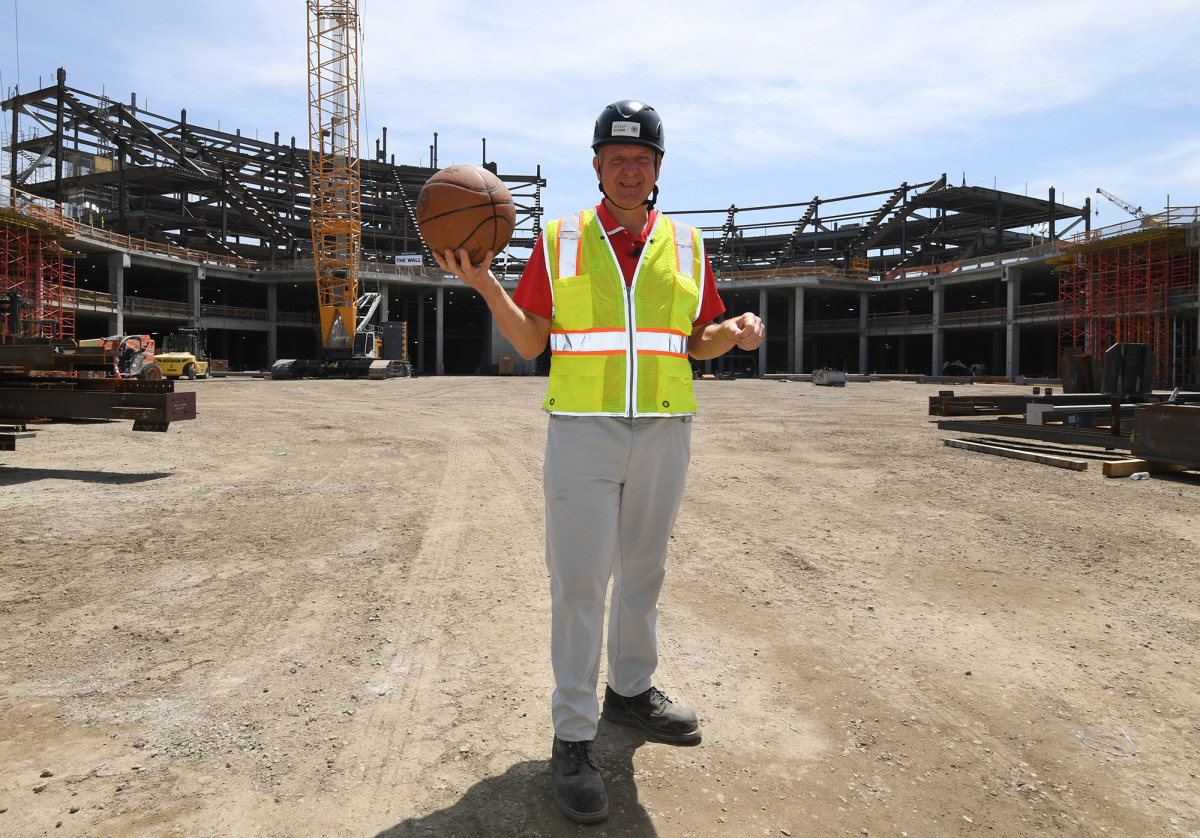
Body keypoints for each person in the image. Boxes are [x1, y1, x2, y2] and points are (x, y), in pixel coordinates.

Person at [433, 99, 765, 824]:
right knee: (581, 584)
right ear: (596, 166)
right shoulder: (561, 238)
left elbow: (698, 338)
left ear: (657, 170)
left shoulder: (687, 243)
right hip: (583, 430)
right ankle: (574, 736)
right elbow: (528, 342)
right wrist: (485, 283)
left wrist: (733, 330)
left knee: (645, 569)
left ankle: (631, 693)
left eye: (641, 159)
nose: (628, 169)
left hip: (666, 427)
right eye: (616, 159)